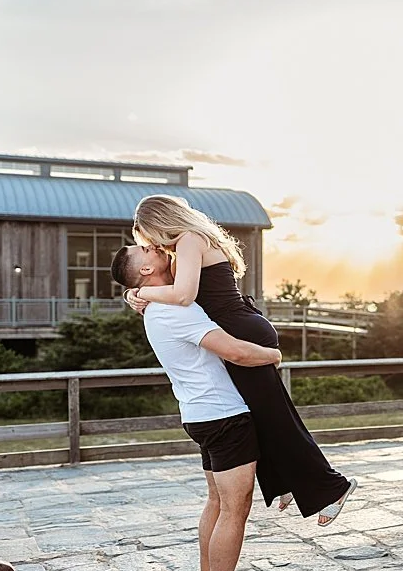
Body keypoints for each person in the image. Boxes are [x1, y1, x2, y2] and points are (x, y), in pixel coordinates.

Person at [123, 194, 357, 526]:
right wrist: (131, 292)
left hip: (243, 333)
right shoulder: (185, 246)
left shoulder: (189, 239)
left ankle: (333, 488)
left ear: (161, 222)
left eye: (149, 238)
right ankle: (284, 481)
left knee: (276, 417)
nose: (153, 246)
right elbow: (174, 292)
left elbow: (184, 295)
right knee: (259, 415)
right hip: (237, 330)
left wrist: (141, 292)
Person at [110, 243, 278, 571]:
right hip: (223, 416)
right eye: (145, 250)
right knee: (235, 507)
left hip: (201, 414)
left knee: (217, 502)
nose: (154, 246)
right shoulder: (175, 309)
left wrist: (135, 294)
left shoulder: (158, 306)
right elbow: (235, 352)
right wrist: (274, 355)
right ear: (145, 271)